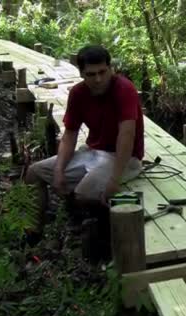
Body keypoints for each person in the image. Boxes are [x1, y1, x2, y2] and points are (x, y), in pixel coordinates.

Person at [26, 45, 144, 229]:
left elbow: (127, 135)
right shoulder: (78, 93)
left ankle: (97, 226)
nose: (98, 79)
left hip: (124, 158)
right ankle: (34, 229)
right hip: (92, 152)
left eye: (102, 72)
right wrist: (58, 170)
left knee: (83, 194)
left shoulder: (124, 89)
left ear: (110, 69)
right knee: (34, 172)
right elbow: (70, 135)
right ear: (81, 73)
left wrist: (115, 179)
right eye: (91, 74)